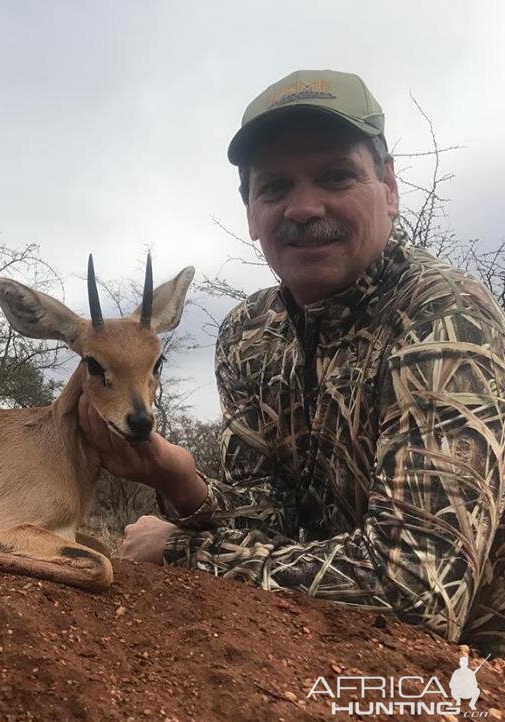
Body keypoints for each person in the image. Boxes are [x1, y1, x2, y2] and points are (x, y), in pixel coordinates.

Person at [78, 69, 505, 656]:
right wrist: (181, 484)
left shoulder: (443, 319)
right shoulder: (249, 334)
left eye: (334, 175)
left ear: (389, 187)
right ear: (251, 212)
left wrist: (182, 550)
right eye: (274, 187)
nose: (303, 208)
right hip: (321, 646)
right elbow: (263, 524)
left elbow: (416, 591)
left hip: (464, 674)